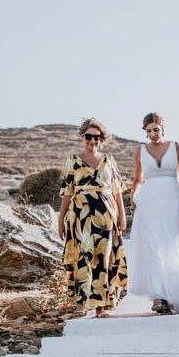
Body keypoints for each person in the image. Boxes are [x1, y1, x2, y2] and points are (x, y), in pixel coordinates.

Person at [129, 112, 179, 314]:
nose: (153, 133)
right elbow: (138, 179)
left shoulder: (175, 147)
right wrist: (133, 195)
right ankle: (158, 296)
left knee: (172, 244)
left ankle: (174, 293)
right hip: (149, 202)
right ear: (145, 132)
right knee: (153, 246)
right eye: (148, 131)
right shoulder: (140, 151)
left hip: (173, 200)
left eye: (156, 129)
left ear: (162, 128)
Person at [57, 118, 128, 317]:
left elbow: (117, 191)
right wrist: (60, 219)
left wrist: (122, 216)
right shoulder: (73, 161)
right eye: (89, 136)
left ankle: (100, 307)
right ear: (82, 137)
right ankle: (81, 304)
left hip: (106, 216)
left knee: (103, 260)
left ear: (102, 139)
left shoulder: (108, 161)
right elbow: (67, 192)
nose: (93, 140)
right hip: (80, 216)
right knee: (82, 257)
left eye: (97, 137)